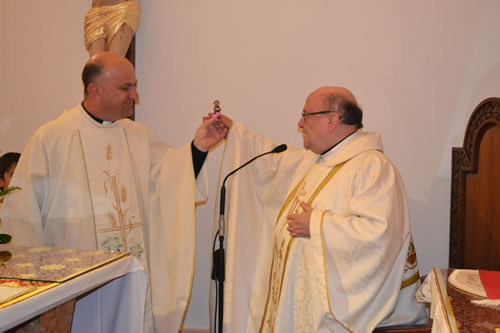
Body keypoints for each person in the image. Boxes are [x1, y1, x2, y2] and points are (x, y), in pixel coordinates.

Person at [0, 52, 227, 333]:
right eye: (126, 88)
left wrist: (198, 147)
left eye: (135, 85)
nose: (135, 95)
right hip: (75, 292)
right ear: (95, 90)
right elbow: (24, 216)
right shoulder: (52, 139)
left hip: (131, 283)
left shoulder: (138, 136)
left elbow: (171, 178)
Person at [213, 87, 428, 332]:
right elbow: (273, 163)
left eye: (305, 115)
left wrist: (316, 224)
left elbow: (380, 235)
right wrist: (236, 135)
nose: (300, 123)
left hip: (339, 315)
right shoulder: (316, 160)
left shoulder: (372, 167)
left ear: (332, 120)